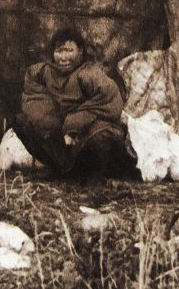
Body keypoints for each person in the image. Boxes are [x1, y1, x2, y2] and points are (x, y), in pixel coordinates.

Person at [16, 27, 128, 181]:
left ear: (80, 51)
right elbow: (33, 96)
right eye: (59, 51)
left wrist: (74, 124)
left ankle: (88, 174)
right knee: (22, 121)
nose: (63, 57)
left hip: (85, 133)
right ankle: (59, 168)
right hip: (60, 134)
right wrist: (55, 126)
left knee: (103, 135)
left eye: (69, 51)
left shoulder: (88, 74)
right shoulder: (42, 72)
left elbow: (110, 100)